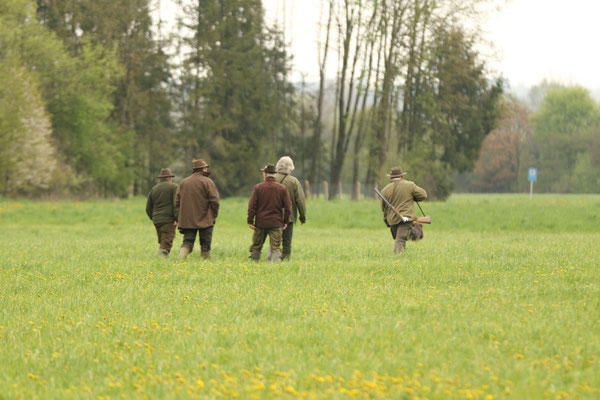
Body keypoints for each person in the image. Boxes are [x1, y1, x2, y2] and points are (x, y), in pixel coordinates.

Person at [175, 159, 220, 259]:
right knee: (205, 243)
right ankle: (204, 263)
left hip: (188, 218)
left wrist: (181, 214)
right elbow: (215, 200)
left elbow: (177, 201)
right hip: (206, 218)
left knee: (187, 242)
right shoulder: (208, 181)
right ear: (204, 169)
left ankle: (180, 258)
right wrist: (214, 214)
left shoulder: (183, 182)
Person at [247, 163, 292, 262]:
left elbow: (252, 206)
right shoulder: (282, 188)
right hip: (276, 223)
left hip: (260, 223)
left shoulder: (258, 188)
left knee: (256, 247)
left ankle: (253, 265)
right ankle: (275, 270)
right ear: (275, 174)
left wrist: (250, 221)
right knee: (275, 248)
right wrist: (285, 222)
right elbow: (288, 207)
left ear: (265, 174)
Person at [380, 166, 427, 254]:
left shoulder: (385, 190)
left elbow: (383, 208)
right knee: (400, 239)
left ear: (391, 177)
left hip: (392, 220)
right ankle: (415, 232)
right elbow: (423, 195)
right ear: (401, 176)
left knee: (400, 239)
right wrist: (413, 196)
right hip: (407, 217)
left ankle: (398, 258)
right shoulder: (410, 185)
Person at [274, 156, 307, 260]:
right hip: (289, 217)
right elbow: (300, 200)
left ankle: (273, 259)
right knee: (287, 241)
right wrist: (303, 216)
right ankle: (285, 260)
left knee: (274, 240)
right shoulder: (294, 181)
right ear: (291, 167)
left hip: (272, 215)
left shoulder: (271, 179)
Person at [146, 168, 178, 257]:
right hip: (168, 220)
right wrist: (177, 218)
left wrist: (154, 217)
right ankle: (160, 260)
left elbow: (148, 208)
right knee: (166, 242)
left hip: (157, 220)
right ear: (169, 178)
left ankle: (162, 259)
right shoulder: (174, 187)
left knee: (163, 240)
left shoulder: (154, 189)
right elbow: (176, 204)